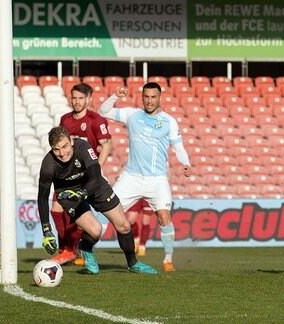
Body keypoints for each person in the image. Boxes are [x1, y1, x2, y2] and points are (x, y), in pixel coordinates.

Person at [99, 82, 192, 272]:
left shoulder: (169, 121)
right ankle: (86, 252)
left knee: (164, 217)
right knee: (105, 211)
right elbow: (103, 111)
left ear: (159, 98)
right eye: (146, 97)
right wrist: (115, 96)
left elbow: (178, 147)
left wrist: (186, 163)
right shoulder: (132, 115)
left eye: (153, 97)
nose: (149, 101)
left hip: (157, 180)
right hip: (131, 177)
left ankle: (167, 260)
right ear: (142, 97)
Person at [38, 126, 156, 274]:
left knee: (124, 226)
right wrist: (47, 231)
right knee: (95, 231)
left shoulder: (83, 147)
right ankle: (86, 248)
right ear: (51, 149)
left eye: (65, 146)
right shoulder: (48, 165)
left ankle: (133, 263)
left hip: (94, 186)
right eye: (56, 149)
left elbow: (95, 176)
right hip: (69, 194)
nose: (62, 153)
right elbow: (42, 198)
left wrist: (83, 193)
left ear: (71, 141)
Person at [50, 82, 113, 266]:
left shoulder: (96, 120)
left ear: (89, 99)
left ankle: (73, 249)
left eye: (80, 98)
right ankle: (66, 249)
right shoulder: (65, 120)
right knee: (56, 209)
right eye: (74, 98)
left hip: (85, 176)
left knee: (77, 217)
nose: (77, 102)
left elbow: (107, 146)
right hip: (67, 173)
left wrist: (96, 169)